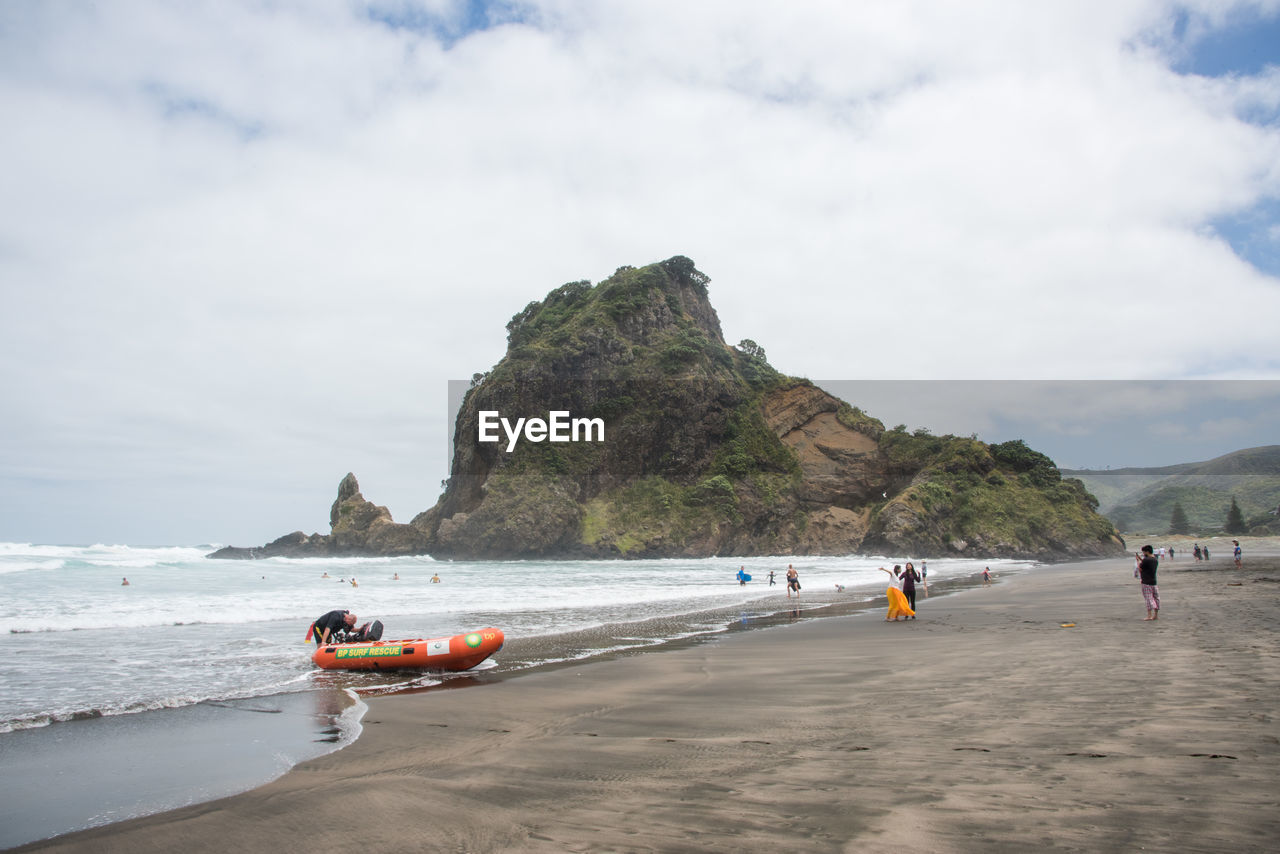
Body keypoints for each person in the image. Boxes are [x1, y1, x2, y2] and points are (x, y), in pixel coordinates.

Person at [1137, 544, 1160, 620]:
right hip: (1154, 581)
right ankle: (1155, 615)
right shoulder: (1155, 559)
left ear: (1147, 552)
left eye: (1143, 552)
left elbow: (1140, 568)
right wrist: (1141, 559)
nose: (1143, 553)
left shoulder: (1146, 560)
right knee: (1156, 598)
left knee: (1149, 598)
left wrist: (1137, 561)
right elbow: (1146, 565)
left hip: (1146, 582)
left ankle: (1149, 616)